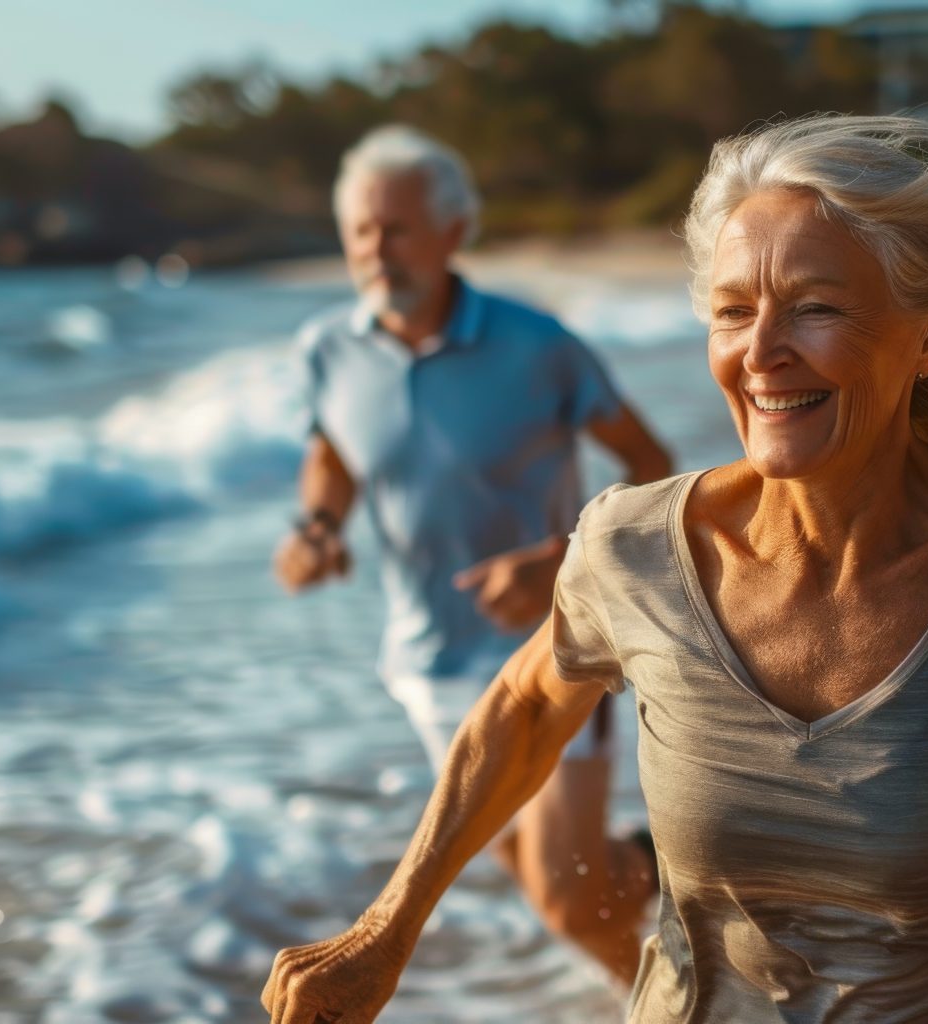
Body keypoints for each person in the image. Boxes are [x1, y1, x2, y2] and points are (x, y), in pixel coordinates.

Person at [263, 98, 928, 1023]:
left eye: (814, 306)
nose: (761, 350)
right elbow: (527, 707)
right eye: (732, 310)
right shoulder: (633, 551)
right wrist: (383, 933)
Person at [273, 125, 673, 983]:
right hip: (428, 661)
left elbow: (650, 465)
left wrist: (559, 562)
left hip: (559, 644)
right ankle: (665, 911)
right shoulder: (327, 351)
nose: (377, 250)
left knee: (568, 898)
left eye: (398, 228)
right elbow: (335, 453)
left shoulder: (539, 344)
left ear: (455, 232)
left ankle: (670, 991)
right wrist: (317, 527)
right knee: (549, 883)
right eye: (361, 232)